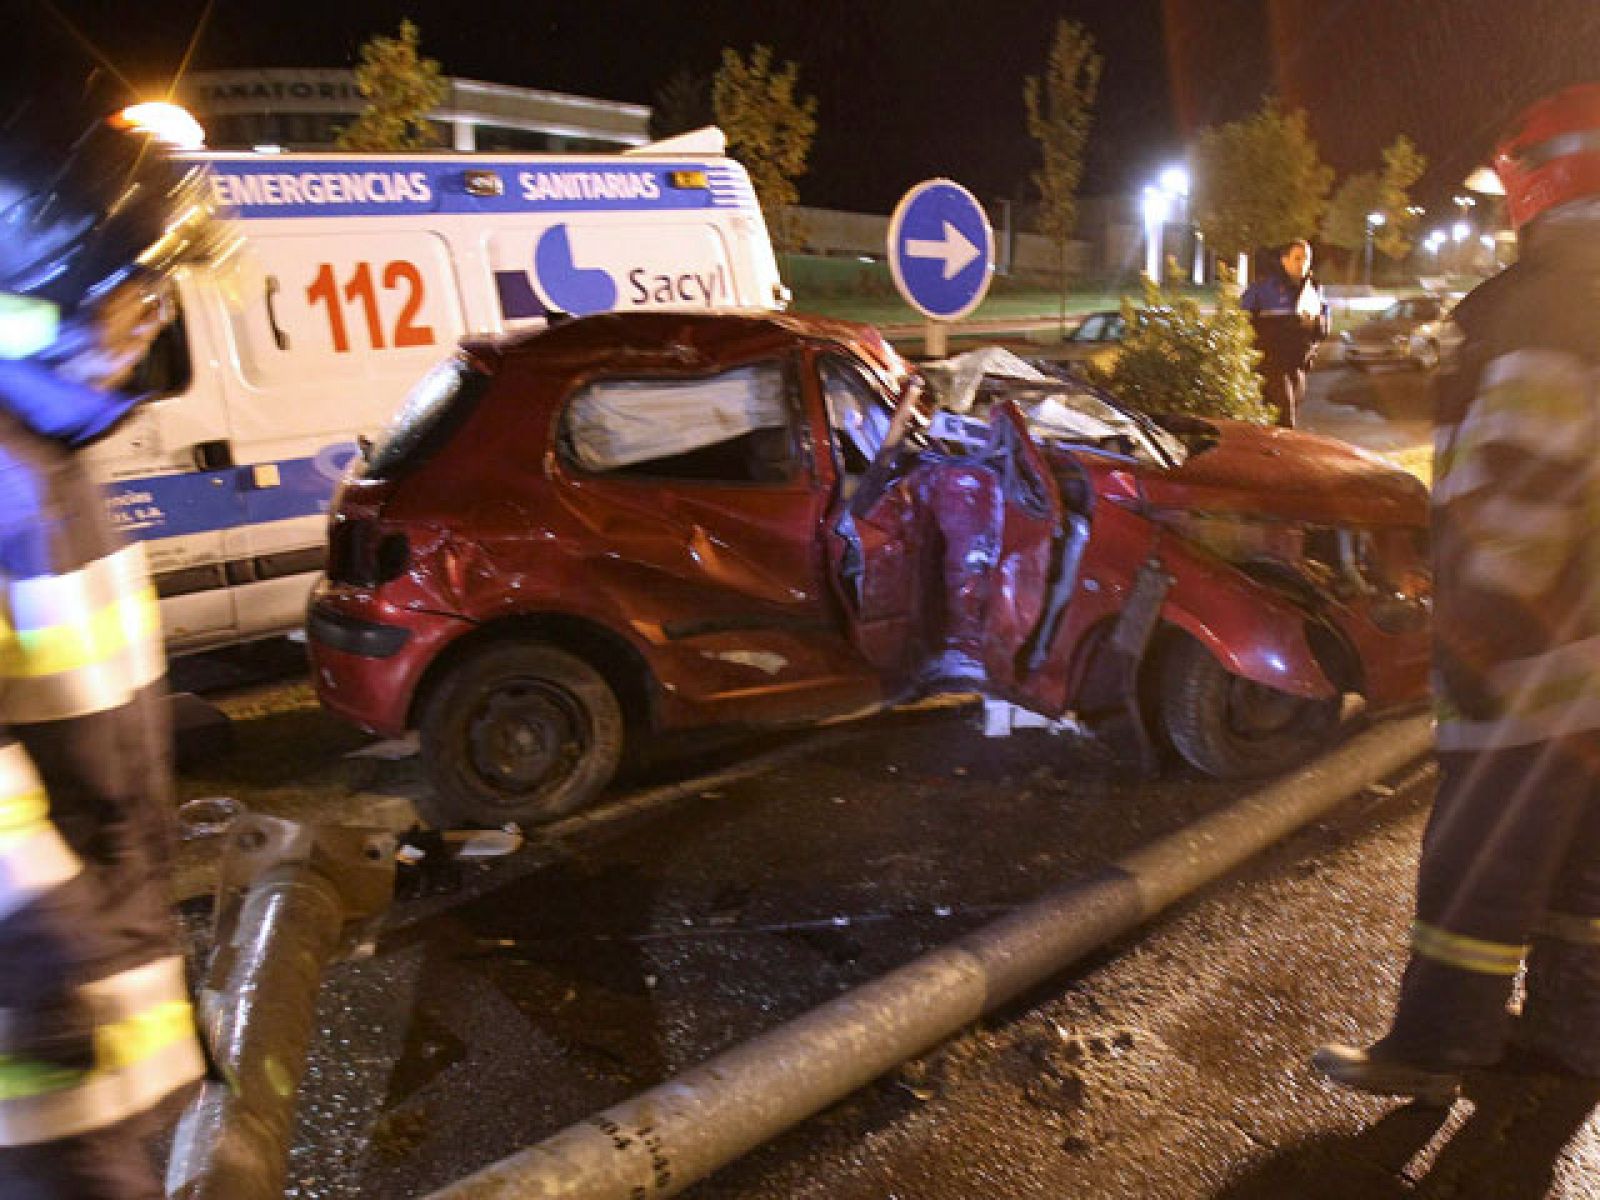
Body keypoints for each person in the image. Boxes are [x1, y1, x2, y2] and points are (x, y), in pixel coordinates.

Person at [1312, 81, 1600, 1104]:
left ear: (1539, 176)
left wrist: (1471, 637)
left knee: (1476, 862)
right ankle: (1575, 1037)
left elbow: (1522, 487)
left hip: (1535, 659)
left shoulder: (1545, 300)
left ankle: (1435, 1047)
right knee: (1580, 868)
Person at [0, 100, 225, 1196]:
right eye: (133, 292)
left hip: (82, 1042)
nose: (154, 320)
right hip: (40, 1062)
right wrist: (59, 965)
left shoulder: (39, 456)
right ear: (42, 300)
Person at [1240, 239, 1328, 428]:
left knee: (1289, 414)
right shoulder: (1263, 289)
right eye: (1297, 258)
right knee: (1284, 418)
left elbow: (1324, 329)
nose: (1302, 263)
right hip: (1272, 365)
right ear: (1284, 260)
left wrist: (1315, 323)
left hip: (1298, 365)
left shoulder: (1313, 291)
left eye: (1306, 259)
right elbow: (1243, 321)